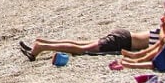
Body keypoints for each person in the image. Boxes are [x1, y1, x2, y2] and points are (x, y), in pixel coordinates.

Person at [19, 28, 153, 61]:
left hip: (124, 35)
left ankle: (42, 42)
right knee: (80, 49)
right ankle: (40, 47)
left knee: (80, 44)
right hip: (122, 41)